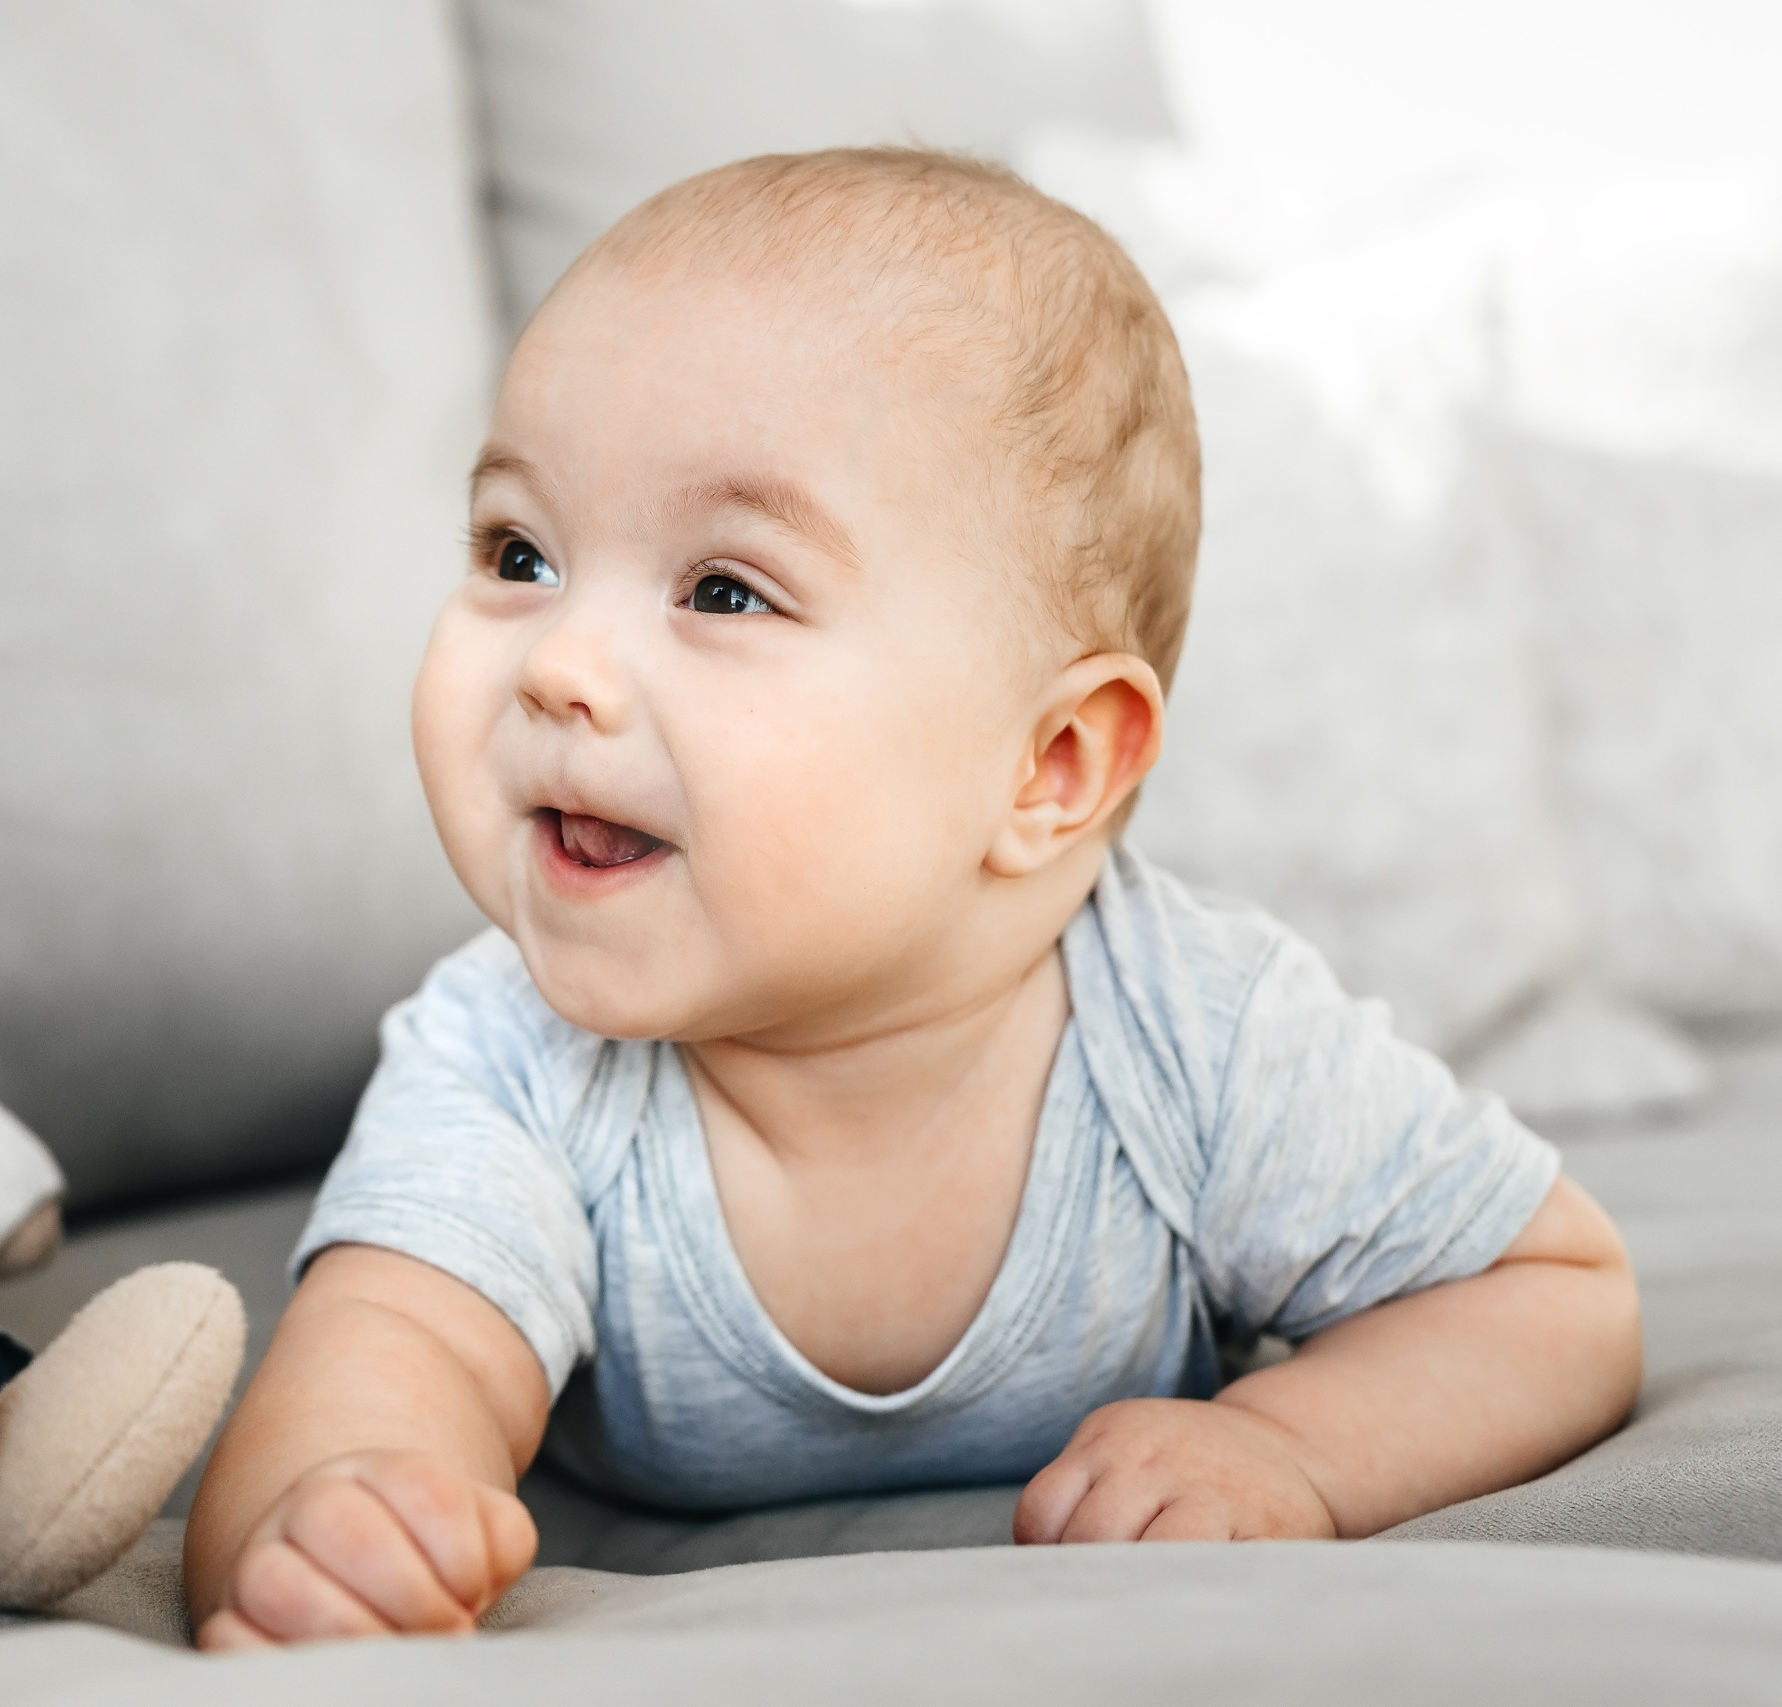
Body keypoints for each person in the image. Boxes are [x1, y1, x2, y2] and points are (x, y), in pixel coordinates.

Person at [182, 149, 1642, 1646]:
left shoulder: (1202, 1042)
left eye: (725, 591)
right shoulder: (508, 1061)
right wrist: (342, 1521)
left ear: (1051, 767)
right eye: (520, 552)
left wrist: (1294, 1449)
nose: (558, 664)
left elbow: (1555, 1293)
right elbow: (383, 1360)